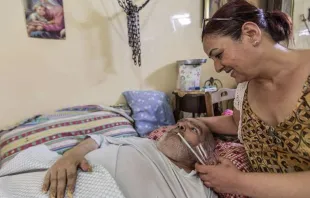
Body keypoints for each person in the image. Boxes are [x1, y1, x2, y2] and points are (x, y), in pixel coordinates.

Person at [192, 0, 310, 197]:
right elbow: (235, 122)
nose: (217, 68)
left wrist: (238, 182)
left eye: (219, 55)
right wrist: (196, 122)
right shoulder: (244, 88)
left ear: (251, 34)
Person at [41, 119, 218, 198]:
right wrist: (70, 156)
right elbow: (98, 140)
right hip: (51, 181)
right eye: (180, 123)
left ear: (204, 152)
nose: (180, 125)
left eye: (193, 129)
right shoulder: (143, 142)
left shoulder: (200, 190)